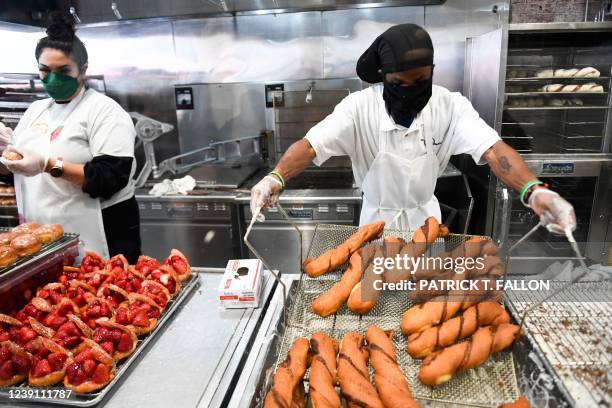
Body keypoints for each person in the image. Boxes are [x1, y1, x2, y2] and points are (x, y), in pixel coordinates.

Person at [250, 24, 575, 234]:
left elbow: (494, 150)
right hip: (375, 229)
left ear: (432, 72)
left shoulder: (450, 106)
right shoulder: (358, 108)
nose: (410, 91)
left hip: (425, 228)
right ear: (383, 77)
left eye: (421, 81)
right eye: (398, 84)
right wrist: (274, 178)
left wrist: (534, 190)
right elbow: (310, 145)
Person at [0, 12, 141, 262]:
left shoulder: (104, 111)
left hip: (99, 241)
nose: (53, 79)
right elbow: (15, 173)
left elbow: (109, 178)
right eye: (45, 70)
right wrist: (5, 158)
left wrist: (47, 165)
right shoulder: (36, 110)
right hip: (43, 243)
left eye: (63, 70)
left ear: (83, 70)